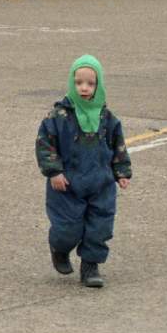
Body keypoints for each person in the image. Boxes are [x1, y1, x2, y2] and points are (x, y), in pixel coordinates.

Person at [35, 55, 132, 288]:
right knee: (67, 228)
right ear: (71, 83)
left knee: (100, 226)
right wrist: (54, 172)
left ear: (98, 85)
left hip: (100, 183)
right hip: (67, 183)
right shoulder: (58, 116)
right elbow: (45, 144)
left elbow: (118, 145)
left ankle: (90, 265)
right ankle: (59, 248)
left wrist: (121, 171)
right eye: (78, 83)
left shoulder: (107, 119)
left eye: (90, 83)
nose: (84, 88)